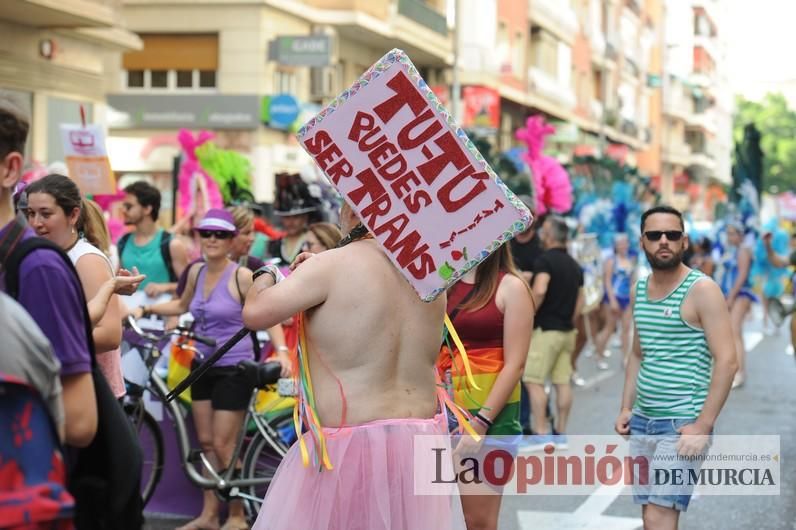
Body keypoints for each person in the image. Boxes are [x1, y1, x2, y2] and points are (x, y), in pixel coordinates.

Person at [242, 204, 465, 530]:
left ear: (352, 211)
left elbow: (255, 312)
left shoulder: (329, 266)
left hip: (352, 448)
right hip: (421, 438)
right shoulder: (431, 274)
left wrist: (267, 273)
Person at [132, 208, 288, 530]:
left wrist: (282, 350)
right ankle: (208, 516)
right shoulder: (195, 272)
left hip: (234, 368)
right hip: (200, 365)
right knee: (204, 441)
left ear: (232, 240)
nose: (212, 240)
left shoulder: (242, 276)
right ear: (199, 237)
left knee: (223, 444)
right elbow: (180, 305)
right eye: (206, 233)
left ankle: (235, 516)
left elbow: (268, 310)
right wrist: (142, 307)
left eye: (220, 234)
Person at [615, 205, 737, 530]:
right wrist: (626, 407)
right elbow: (638, 354)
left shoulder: (703, 290)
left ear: (685, 241)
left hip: (682, 424)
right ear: (642, 241)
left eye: (672, 234)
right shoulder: (639, 289)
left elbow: (727, 360)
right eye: (655, 235)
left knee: (659, 517)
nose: (664, 241)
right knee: (650, 516)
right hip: (642, 421)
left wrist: (703, 426)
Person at [0, 96, 97, 450]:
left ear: (10, 169)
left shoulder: (38, 267)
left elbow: (80, 421)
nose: (40, 222)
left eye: (48, 214)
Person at [437, 243, 533, 530]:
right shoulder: (441, 282)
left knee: (477, 521)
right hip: (441, 415)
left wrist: (480, 424)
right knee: (438, 515)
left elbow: (515, 364)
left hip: (489, 422)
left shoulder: (511, 287)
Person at [25, 175, 145, 398]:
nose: (35, 222)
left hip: (93, 393)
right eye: (31, 213)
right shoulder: (45, 255)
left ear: (73, 215)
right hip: (57, 385)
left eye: (46, 213)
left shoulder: (86, 259)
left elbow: (110, 335)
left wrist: (43, 343)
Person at [522, 215, 584, 450]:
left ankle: (540, 433)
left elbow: (539, 290)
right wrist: (570, 319)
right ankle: (560, 433)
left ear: (549, 235)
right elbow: (581, 300)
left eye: (543, 231)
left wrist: (528, 314)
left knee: (533, 380)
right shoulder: (574, 265)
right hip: (567, 331)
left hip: (546, 330)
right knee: (561, 381)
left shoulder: (544, 261)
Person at [119, 180, 189, 298]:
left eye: (129, 206)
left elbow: (188, 285)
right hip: (129, 312)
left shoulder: (171, 243)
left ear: (147, 209)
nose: (124, 211)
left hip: (163, 314)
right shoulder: (123, 242)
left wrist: (165, 287)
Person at [716, 223, 754, 388]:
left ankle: (740, 372)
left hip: (740, 294)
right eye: (728, 233)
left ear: (741, 235)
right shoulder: (729, 250)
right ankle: (732, 371)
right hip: (728, 294)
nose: (730, 236)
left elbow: (742, 274)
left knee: (735, 331)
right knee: (729, 334)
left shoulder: (743, 251)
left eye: (733, 233)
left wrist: (731, 296)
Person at [593, 233, 636, 369]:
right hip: (613, 298)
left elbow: (632, 280)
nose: (624, 246)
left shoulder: (631, 259)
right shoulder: (611, 260)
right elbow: (607, 281)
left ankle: (625, 358)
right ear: (616, 246)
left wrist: (634, 297)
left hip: (627, 299)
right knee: (609, 328)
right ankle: (599, 356)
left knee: (626, 329)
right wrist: (612, 300)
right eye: (620, 244)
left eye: (625, 243)